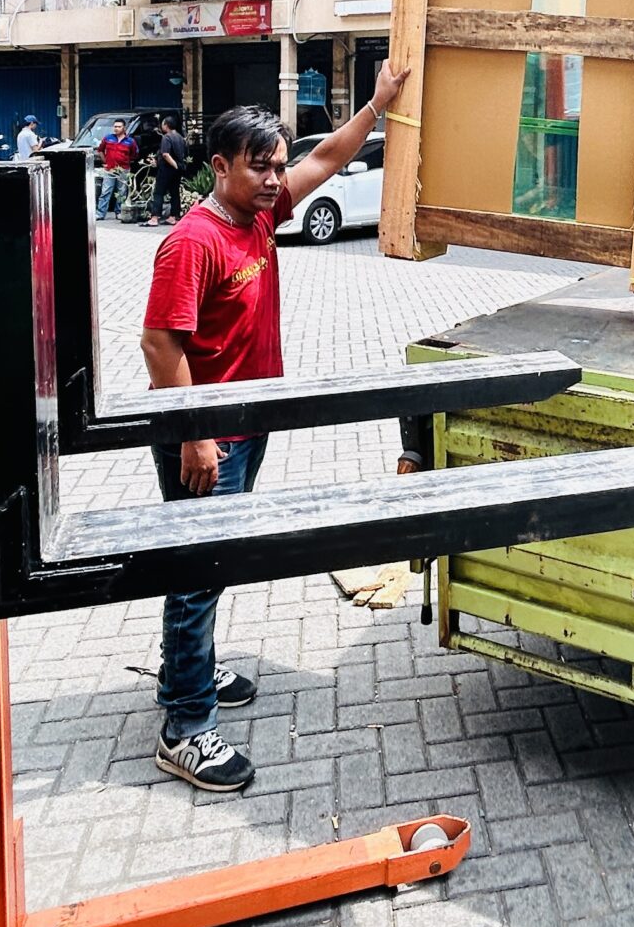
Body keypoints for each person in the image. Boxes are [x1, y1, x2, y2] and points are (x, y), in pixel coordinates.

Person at [138, 67, 406, 793]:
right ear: (218, 166)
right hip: (205, 433)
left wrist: (378, 105)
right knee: (199, 570)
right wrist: (195, 435)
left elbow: (328, 159)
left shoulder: (257, 214)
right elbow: (160, 343)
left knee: (213, 559)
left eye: (277, 166)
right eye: (259, 167)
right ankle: (185, 726)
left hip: (244, 424)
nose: (273, 179)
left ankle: (186, 668)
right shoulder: (193, 242)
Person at [95, 118, 137, 220]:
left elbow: (134, 155)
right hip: (110, 169)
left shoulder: (130, 141)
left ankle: (119, 212)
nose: (116, 128)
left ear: (124, 128)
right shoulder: (108, 138)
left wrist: (125, 162)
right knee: (105, 191)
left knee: (122, 192)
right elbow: (100, 150)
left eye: (119, 127)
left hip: (123, 170)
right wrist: (105, 162)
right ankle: (100, 214)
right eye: (115, 126)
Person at [150, 113, 188, 223]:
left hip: (166, 169)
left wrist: (174, 165)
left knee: (159, 192)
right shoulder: (181, 138)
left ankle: (154, 217)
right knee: (174, 193)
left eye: (163, 124)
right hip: (178, 170)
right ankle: (174, 217)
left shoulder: (167, 137)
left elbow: (165, 154)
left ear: (166, 125)